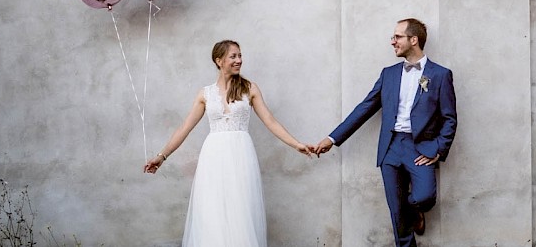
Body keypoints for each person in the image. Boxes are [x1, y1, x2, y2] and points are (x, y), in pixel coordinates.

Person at [144, 40, 313, 247]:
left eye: (240, 56)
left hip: (241, 155)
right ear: (219, 61)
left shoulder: (250, 88)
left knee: (239, 210)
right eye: (233, 56)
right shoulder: (205, 94)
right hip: (213, 157)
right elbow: (184, 128)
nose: (239, 60)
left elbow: (270, 121)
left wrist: (296, 144)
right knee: (213, 212)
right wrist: (161, 157)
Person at [313, 18, 458, 247]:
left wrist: (439, 149)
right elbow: (364, 108)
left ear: (414, 40)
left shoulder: (440, 75)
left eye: (397, 37)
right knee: (396, 213)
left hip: (419, 147)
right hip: (390, 146)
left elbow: (450, 118)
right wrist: (332, 139)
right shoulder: (388, 74)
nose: (392, 42)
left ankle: (415, 211)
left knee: (424, 197)